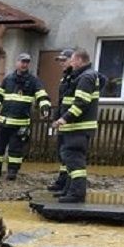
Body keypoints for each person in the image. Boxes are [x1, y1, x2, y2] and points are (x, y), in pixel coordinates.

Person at [0, 53, 50, 180]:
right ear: (17, 63)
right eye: (22, 62)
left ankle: (12, 173)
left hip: (21, 124)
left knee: (16, 150)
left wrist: (44, 107)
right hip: (4, 122)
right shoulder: (8, 79)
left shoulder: (33, 81)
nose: (24, 64)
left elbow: (42, 95)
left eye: (27, 62)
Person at [52, 48, 100, 203]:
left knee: (74, 160)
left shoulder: (86, 77)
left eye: (72, 59)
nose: (70, 63)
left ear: (79, 60)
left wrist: (64, 118)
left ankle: (77, 194)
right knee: (69, 158)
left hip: (79, 127)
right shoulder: (80, 76)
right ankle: (69, 190)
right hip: (75, 127)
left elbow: (81, 103)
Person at [47, 49, 77, 194]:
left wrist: (64, 118)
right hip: (63, 121)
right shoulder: (65, 78)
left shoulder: (77, 77)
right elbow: (61, 101)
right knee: (62, 154)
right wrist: (56, 118)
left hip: (71, 122)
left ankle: (68, 185)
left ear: (73, 60)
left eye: (64, 60)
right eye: (60, 61)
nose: (61, 64)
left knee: (69, 155)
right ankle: (62, 181)